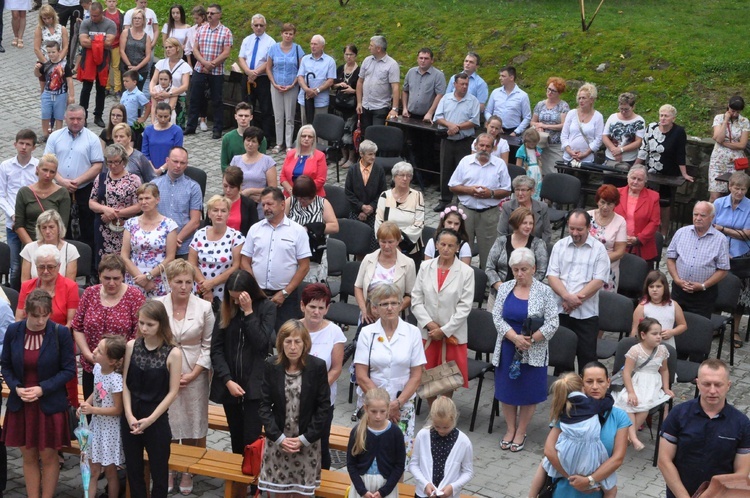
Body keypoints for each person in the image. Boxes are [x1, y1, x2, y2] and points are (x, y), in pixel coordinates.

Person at [1, 289, 76, 498]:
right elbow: (5, 364)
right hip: (21, 403)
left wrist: (43, 388)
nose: (41, 320)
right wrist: (16, 386)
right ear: (26, 312)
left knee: (49, 457)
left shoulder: (60, 333)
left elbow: (69, 369)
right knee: (28, 457)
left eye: (45, 315)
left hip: (49, 403)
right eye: (36, 315)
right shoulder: (14, 331)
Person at [210, 269, 276, 497]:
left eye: (240, 297)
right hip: (231, 386)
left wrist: (248, 313)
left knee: (252, 438)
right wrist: (227, 380)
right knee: (237, 439)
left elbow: (263, 344)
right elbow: (216, 349)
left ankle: (256, 484)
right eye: (233, 297)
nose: (236, 301)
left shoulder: (266, 308)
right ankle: (241, 483)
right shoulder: (225, 308)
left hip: (255, 388)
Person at [154, 260, 214, 495]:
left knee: (191, 422)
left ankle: (188, 470)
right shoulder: (158, 304)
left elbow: (208, 345)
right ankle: (168, 468)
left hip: (195, 371)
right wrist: (166, 371)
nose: (183, 286)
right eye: (178, 282)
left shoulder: (204, 308)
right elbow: (153, 340)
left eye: (188, 282)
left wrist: (195, 373)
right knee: (166, 422)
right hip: (164, 371)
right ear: (169, 282)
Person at [491, 246, 558, 452]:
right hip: (508, 347)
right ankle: (510, 429)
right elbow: (496, 316)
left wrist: (531, 339)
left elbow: (553, 322)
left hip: (533, 349)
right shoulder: (505, 288)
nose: (519, 274)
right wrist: (514, 337)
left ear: (533, 268)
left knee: (528, 392)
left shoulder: (544, 291)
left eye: (524, 269)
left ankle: (521, 431)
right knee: (507, 390)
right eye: (515, 269)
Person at [257, 320, 331, 497]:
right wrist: (279, 438)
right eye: (288, 341)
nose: (292, 346)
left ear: (305, 344)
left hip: (306, 443)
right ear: (281, 343)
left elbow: (323, 408)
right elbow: (264, 406)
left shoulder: (317, 367)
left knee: (301, 493)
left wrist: (305, 439)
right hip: (279, 441)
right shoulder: (271, 365)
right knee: (279, 493)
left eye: (297, 341)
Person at [354, 283, 426, 461]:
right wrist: (384, 406)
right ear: (375, 307)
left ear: (401, 305)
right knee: (366, 455)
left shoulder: (413, 332)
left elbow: (417, 375)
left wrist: (397, 404)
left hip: (402, 407)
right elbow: (361, 375)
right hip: (372, 406)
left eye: (394, 303)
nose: (390, 308)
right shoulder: (367, 333)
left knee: (398, 459)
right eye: (384, 304)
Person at [658, 359, 750, 498]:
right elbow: (664, 460)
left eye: (718, 384)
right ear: (698, 383)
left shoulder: (742, 424)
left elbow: (741, 473)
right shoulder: (678, 414)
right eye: (707, 384)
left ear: (728, 385)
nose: (712, 390)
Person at [540, 361, 631, 498]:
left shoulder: (619, 416)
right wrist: (573, 479)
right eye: (589, 381)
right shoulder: (570, 409)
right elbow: (549, 450)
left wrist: (589, 481)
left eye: (600, 381)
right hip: (563, 487)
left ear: (608, 382)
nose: (595, 386)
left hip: (596, 489)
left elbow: (618, 458)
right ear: (581, 383)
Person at [121, 300, 182, 498]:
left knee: (159, 472)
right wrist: (129, 415)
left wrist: (151, 419)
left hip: (155, 418)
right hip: (131, 415)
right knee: (134, 471)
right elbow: (125, 384)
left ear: (161, 324)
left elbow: (172, 392)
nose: (144, 328)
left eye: (150, 324)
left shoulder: (173, 353)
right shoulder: (132, 346)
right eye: (141, 323)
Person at [411, 229, 474, 398]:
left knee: (449, 380)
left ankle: (442, 415)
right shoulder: (425, 267)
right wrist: (430, 325)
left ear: (458, 248)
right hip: (428, 333)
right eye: (443, 244)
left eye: (450, 245)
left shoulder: (467, 272)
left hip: (452, 335)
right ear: (436, 245)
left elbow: (465, 307)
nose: (446, 248)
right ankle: (432, 415)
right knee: (427, 375)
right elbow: (416, 299)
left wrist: (444, 330)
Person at [72, 254, 145, 399]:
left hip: (121, 369)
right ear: (99, 276)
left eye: (116, 278)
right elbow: (77, 327)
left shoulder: (134, 296)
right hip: (91, 365)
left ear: (123, 277)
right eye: (107, 278)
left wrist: (117, 360)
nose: (111, 283)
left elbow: (139, 333)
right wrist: (87, 354)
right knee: (91, 411)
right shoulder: (89, 293)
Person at [547, 209, 610, 372]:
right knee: (562, 359)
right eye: (572, 228)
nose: (575, 233)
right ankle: (562, 395)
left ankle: (587, 395)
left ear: (589, 227)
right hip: (561, 310)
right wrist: (566, 297)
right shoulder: (560, 246)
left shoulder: (598, 249)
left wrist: (574, 301)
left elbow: (598, 281)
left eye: (579, 229)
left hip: (586, 314)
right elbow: (552, 276)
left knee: (587, 358)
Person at [241, 187, 311, 331]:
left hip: (286, 297)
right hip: (258, 295)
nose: (266, 208)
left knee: (286, 336)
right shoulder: (255, 229)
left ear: (282, 205)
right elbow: (244, 261)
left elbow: (304, 266)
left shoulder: (297, 231)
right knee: (256, 336)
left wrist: (285, 292)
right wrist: (255, 287)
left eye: (270, 204)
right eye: (263, 205)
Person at [45, 104, 104, 255]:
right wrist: (62, 181)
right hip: (58, 190)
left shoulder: (92, 139)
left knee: (87, 229)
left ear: (85, 119)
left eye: (79, 118)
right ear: (65, 118)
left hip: (85, 190)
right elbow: (47, 163)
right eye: (72, 119)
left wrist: (77, 181)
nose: (75, 122)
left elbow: (97, 165)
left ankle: (89, 268)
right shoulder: (55, 137)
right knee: (60, 228)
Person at [300, 284, 346, 470]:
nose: (316, 312)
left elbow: (335, 369)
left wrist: (313, 391)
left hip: (322, 400)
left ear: (327, 309)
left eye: (321, 307)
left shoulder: (335, 332)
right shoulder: (292, 328)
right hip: (295, 399)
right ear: (303, 306)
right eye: (312, 306)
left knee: (321, 445)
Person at [448, 133, 512, 269]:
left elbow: (507, 190)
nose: (484, 148)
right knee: (463, 248)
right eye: (481, 145)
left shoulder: (500, 164)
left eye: (488, 146)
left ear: (493, 148)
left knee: (489, 252)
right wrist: (469, 191)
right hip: (466, 212)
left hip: (490, 214)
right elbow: (452, 186)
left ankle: (487, 282)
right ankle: (462, 278)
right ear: (476, 146)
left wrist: (491, 193)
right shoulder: (465, 161)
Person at [613, 318, 673, 451]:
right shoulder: (635, 350)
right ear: (643, 335)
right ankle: (633, 437)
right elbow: (627, 373)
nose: (659, 337)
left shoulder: (662, 350)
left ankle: (627, 437)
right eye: (654, 334)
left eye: (659, 333)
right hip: (636, 381)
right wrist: (631, 392)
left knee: (644, 406)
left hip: (652, 383)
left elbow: (664, 370)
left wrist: (666, 387)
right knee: (628, 402)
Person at [78, 334, 126, 498]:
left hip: (109, 432)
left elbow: (117, 409)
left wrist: (93, 410)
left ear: (112, 361)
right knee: (93, 471)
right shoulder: (97, 368)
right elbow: (97, 390)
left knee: (111, 472)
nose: (94, 351)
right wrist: (86, 404)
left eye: (99, 350)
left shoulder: (116, 380)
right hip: (96, 427)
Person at [666, 201, 730, 318]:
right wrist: (676, 279)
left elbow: (723, 269)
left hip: (704, 294)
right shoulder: (681, 233)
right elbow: (670, 258)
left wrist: (703, 285)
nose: (698, 218)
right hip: (679, 290)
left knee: (698, 329)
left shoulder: (720, 240)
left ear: (712, 218)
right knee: (674, 323)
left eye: (703, 215)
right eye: (695, 215)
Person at [636, 104, 692, 236]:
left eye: (666, 116)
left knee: (665, 202)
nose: (663, 118)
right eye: (661, 115)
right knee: (648, 199)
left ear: (673, 118)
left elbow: (680, 154)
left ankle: (664, 232)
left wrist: (684, 173)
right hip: (651, 172)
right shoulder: (652, 127)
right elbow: (644, 149)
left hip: (669, 174)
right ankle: (649, 229)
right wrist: (635, 167)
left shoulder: (678, 132)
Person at [409, 396, 474, 498]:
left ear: (454, 418)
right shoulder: (423, 435)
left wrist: (453, 487)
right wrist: (425, 484)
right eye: (437, 426)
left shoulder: (463, 442)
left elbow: (468, 472)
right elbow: (413, 465)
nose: (441, 430)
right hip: (423, 494)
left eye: (446, 427)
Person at [433, 72, 480, 212]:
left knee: (464, 172)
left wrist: (458, 127)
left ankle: (461, 200)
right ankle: (444, 199)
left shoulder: (473, 101)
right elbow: (438, 117)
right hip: (447, 140)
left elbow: (474, 121)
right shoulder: (446, 99)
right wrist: (450, 125)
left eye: (466, 84)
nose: (464, 87)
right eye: (462, 84)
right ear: (455, 84)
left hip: (464, 141)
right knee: (445, 169)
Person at [184, 3, 233, 139]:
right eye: (208, 13)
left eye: (212, 13)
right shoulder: (201, 29)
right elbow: (195, 49)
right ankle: (191, 126)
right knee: (194, 98)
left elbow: (226, 52)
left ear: (219, 15)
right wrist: (204, 63)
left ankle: (217, 129)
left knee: (217, 100)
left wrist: (213, 64)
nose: (209, 15)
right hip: (200, 69)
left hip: (216, 72)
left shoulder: (226, 32)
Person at [121, 182, 178, 297]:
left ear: (157, 200)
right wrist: (140, 279)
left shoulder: (169, 224)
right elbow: (124, 255)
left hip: (158, 279)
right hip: (134, 278)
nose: (143, 202)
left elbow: (170, 257)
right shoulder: (130, 223)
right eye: (140, 199)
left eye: (147, 198)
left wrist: (148, 277)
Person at [346, 388, 405, 498]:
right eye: (373, 411)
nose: (378, 416)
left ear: (388, 409)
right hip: (362, 486)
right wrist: (362, 490)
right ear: (366, 408)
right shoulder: (358, 431)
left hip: (386, 487)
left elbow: (399, 465)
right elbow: (351, 463)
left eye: (382, 411)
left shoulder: (395, 433)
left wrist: (384, 491)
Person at [90, 143, 142, 267]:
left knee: (123, 262)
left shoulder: (133, 180)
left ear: (124, 160)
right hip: (103, 227)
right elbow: (92, 202)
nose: (113, 166)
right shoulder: (101, 178)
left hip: (124, 227)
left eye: (116, 162)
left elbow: (138, 206)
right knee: (103, 263)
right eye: (109, 162)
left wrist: (114, 214)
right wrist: (105, 209)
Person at [714, 171, 750, 346]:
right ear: (730, 187)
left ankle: (735, 330)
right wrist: (733, 233)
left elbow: (748, 235)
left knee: (740, 294)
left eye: (743, 189)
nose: (739, 192)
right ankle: (716, 324)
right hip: (718, 254)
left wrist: (723, 229)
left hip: (740, 256)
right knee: (716, 288)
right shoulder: (718, 203)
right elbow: (711, 228)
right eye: (736, 188)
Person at [354, 222, 417, 324]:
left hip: (394, 317)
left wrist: (392, 309)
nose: (386, 246)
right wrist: (364, 310)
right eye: (383, 242)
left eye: (390, 242)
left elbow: (411, 295)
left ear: (398, 241)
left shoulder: (408, 263)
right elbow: (358, 287)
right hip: (369, 316)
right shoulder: (368, 259)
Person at [486, 208, 548, 307]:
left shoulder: (538, 244)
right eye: (524, 223)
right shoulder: (501, 241)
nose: (528, 227)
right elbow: (490, 268)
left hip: (525, 296)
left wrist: (521, 287)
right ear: (516, 223)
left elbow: (541, 272)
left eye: (531, 223)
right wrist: (500, 287)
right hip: (498, 294)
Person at [0, 129, 39, 287]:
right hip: (13, 224)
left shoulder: (38, 166)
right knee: (15, 267)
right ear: (15, 144)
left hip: (32, 224)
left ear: (33, 147)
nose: (24, 147)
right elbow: (1, 195)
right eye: (21, 143)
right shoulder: (6, 166)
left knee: (32, 265)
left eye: (27, 144)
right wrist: (13, 214)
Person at [189, 195, 245, 303]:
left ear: (228, 214)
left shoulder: (236, 237)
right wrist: (205, 288)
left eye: (223, 211)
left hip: (224, 292)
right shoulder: (199, 234)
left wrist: (212, 283)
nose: (219, 214)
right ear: (209, 213)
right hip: (200, 290)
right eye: (215, 210)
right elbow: (192, 263)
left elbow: (236, 266)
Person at [285, 175, 339, 283]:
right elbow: (280, 222)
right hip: (293, 253)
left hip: (314, 252)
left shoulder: (322, 203)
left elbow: (334, 227)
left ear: (312, 195)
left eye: (304, 199)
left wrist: (312, 228)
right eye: (299, 198)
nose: (301, 201)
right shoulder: (291, 202)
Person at [401, 47, 446, 173]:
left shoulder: (438, 75)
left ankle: (427, 176)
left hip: (427, 118)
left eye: (426, 58)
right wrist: (404, 108)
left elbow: (440, 95)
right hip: (411, 115)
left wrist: (430, 112)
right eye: (421, 58)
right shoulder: (411, 72)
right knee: (413, 146)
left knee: (427, 148)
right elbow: (405, 90)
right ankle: (414, 173)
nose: (423, 61)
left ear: (432, 60)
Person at [151, 147, 202, 258]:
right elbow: (148, 215)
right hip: (157, 245)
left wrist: (176, 239)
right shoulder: (154, 185)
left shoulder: (193, 187)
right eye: (175, 161)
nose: (178, 166)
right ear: (167, 161)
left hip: (184, 246)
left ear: (186, 164)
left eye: (182, 163)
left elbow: (195, 221)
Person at [14, 155, 71, 250]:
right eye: (45, 170)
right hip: (29, 245)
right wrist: (32, 247)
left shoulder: (62, 193)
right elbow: (19, 225)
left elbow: (62, 226)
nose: (48, 175)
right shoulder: (24, 192)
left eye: (52, 172)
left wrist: (49, 248)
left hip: (53, 248)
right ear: (37, 169)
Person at [17, 244, 79, 328]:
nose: (45, 271)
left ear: (59, 266)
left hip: (58, 336)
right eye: (41, 267)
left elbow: (71, 323)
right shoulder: (26, 286)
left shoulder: (70, 286)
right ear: (36, 266)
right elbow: (19, 318)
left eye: (50, 267)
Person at [375, 161, 425, 267]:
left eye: (408, 175)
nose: (405, 179)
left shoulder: (418, 196)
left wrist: (398, 240)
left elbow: (419, 223)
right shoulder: (385, 196)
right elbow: (379, 222)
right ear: (394, 177)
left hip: (411, 248)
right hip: (387, 246)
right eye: (402, 175)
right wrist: (391, 243)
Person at [265, 23, 304, 153]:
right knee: (278, 116)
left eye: (290, 33)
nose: (288, 36)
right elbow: (268, 67)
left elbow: (301, 69)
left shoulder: (298, 49)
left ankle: (288, 144)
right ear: (282, 33)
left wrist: (293, 84)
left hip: (291, 87)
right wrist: (274, 83)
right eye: (286, 33)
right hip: (276, 86)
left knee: (289, 117)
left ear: (294, 35)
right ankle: (278, 142)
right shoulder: (273, 48)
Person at [78, 2, 117, 128]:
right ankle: (83, 116)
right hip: (88, 59)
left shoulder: (110, 24)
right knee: (86, 89)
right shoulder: (86, 22)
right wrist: (100, 41)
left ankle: (98, 116)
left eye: (95, 16)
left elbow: (109, 42)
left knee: (101, 89)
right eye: (91, 15)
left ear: (101, 13)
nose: (93, 18)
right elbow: (83, 42)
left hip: (103, 60)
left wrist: (93, 41)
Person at [613, 164, 661, 263]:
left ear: (645, 181)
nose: (635, 182)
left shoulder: (653, 197)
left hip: (642, 246)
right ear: (627, 177)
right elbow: (609, 216)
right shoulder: (616, 193)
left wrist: (638, 239)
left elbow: (654, 222)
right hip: (616, 243)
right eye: (633, 178)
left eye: (639, 180)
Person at [238, 13, 275, 141]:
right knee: (246, 107)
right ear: (252, 26)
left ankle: (267, 138)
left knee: (265, 109)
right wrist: (248, 72)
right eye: (256, 25)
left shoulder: (270, 42)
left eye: (261, 25)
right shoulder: (247, 40)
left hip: (262, 78)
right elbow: (241, 57)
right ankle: (247, 135)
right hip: (247, 77)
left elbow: (269, 61)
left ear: (265, 26)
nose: (258, 27)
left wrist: (255, 73)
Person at [631, 270, 687, 349]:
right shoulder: (642, 307)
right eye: (651, 286)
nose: (654, 289)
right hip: (647, 348)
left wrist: (672, 332)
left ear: (665, 287)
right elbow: (635, 330)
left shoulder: (673, 305)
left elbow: (683, 325)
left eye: (658, 286)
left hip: (668, 346)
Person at [356, 35, 400, 134]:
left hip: (380, 107)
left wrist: (394, 109)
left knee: (377, 135)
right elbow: (360, 81)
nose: (368, 47)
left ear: (378, 48)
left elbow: (395, 87)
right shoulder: (367, 60)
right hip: (365, 106)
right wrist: (359, 102)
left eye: (371, 45)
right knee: (365, 135)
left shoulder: (392, 65)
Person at [708, 96, 749, 202]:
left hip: (736, 163)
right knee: (715, 197)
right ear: (728, 107)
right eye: (732, 111)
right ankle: (710, 218)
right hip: (718, 162)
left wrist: (723, 143)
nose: (735, 114)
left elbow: (742, 145)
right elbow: (719, 137)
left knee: (735, 196)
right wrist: (726, 120)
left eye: (737, 112)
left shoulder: (744, 121)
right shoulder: (719, 118)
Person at [20, 209, 79, 282]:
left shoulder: (70, 250)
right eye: (44, 228)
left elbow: (69, 283)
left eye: (51, 227)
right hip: (35, 292)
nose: (47, 231)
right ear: (39, 229)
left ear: (59, 227)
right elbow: (25, 283)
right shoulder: (29, 249)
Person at [587, 185, 627, 292]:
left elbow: (620, 252)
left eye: (609, 204)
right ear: (597, 201)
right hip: (585, 265)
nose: (605, 207)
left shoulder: (620, 221)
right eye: (603, 202)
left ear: (615, 204)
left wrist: (598, 261)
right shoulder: (587, 216)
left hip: (608, 270)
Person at [347, 140, 386, 244]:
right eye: (370, 154)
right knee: (357, 242)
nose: (373, 157)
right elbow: (348, 193)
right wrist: (361, 207)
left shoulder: (379, 170)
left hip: (373, 213)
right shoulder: (352, 170)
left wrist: (370, 207)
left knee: (372, 243)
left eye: (374, 154)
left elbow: (382, 193)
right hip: (356, 212)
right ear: (361, 154)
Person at [34, 41, 75, 142]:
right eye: (49, 52)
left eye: (53, 52)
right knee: (45, 114)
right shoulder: (46, 64)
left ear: (59, 51)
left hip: (61, 94)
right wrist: (36, 69)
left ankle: (58, 134)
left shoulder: (65, 65)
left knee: (59, 116)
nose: (51, 55)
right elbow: (39, 75)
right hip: (48, 93)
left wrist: (71, 95)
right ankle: (45, 135)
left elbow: (69, 80)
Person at [149, 37, 192, 129]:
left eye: (170, 47)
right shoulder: (161, 63)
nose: (168, 49)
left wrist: (169, 94)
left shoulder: (184, 66)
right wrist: (152, 92)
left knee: (177, 126)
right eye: (166, 47)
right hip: (161, 96)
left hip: (178, 97)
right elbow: (153, 80)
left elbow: (185, 86)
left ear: (177, 48)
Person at [531, 77, 570, 174]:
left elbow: (564, 125)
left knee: (553, 172)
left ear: (559, 93)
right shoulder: (540, 104)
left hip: (555, 145)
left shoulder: (563, 106)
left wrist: (545, 126)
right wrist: (537, 126)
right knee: (537, 171)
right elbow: (532, 122)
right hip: (539, 143)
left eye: (553, 91)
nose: (550, 92)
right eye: (549, 89)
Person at [497, 175, 551, 244]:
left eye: (523, 190)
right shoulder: (507, 207)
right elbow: (502, 233)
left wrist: (539, 248)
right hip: (512, 247)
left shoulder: (542, 207)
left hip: (536, 247)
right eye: (517, 189)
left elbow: (547, 233)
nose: (520, 193)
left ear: (532, 191)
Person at [229, 126, 277, 203]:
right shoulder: (236, 160)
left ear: (259, 144)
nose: (250, 144)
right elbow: (230, 183)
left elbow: (273, 188)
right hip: (240, 202)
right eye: (248, 140)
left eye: (254, 141)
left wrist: (250, 191)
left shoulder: (268, 161)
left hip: (261, 203)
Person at [295, 34, 336, 125]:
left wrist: (317, 91)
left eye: (315, 44)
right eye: (311, 44)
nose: (313, 46)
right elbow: (300, 76)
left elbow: (330, 81)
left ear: (322, 46)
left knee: (320, 127)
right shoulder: (305, 59)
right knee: (305, 126)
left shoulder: (329, 61)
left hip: (321, 101)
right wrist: (306, 89)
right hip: (305, 99)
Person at [279, 125, 328, 198]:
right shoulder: (290, 153)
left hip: (311, 196)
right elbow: (283, 176)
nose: (306, 138)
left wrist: (300, 192)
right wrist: (290, 190)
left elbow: (320, 180)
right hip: (290, 195)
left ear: (313, 139)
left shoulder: (320, 156)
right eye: (304, 136)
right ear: (299, 137)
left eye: (310, 136)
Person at [561, 83, 604, 163]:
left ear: (591, 100)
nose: (581, 101)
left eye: (584, 98)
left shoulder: (598, 117)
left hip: (587, 160)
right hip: (569, 157)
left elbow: (598, 139)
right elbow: (564, 135)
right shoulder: (571, 113)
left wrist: (585, 154)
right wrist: (570, 152)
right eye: (579, 98)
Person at [221, 102, 269, 172]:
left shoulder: (261, 138)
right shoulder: (227, 138)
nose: (243, 118)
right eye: (240, 115)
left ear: (251, 117)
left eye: (246, 116)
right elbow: (224, 165)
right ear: (235, 116)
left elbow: (262, 163)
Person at [485, 66, 532, 136]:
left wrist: (516, 132)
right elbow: (488, 111)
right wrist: (493, 124)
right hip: (495, 131)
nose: (500, 78)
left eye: (503, 76)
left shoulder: (523, 95)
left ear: (511, 78)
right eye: (500, 76)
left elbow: (527, 117)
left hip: (513, 131)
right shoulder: (495, 92)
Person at [332, 44, 359, 168]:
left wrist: (352, 90)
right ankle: (343, 156)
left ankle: (351, 158)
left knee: (350, 133)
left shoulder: (359, 71)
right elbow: (333, 84)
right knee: (340, 132)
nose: (348, 57)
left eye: (351, 55)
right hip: (339, 105)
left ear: (355, 56)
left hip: (352, 107)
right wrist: (339, 85)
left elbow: (361, 88)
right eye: (346, 54)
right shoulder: (340, 68)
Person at [601, 92, 645, 166]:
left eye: (626, 109)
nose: (623, 112)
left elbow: (638, 141)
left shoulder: (639, 121)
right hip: (610, 157)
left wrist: (621, 150)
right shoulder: (612, 117)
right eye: (621, 109)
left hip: (629, 159)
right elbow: (605, 136)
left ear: (633, 107)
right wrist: (614, 150)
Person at [142, 103, 184, 172]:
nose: (163, 119)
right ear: (156, 115)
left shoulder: (177, 130)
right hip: (151, 169)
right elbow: (145, 153)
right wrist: (153, 170)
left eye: (166, 116)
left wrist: (161, 169)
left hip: (170, 170)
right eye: (160, 116)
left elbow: (177, 153)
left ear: (170, 115)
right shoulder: (148, 130)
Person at [119, 9, 151, 89]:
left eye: (139, 18)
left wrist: (137, 68)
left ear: (143, 20)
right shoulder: (126, 32)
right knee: (126, 92)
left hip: (141, 69)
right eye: (135, 18)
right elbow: (122, 50)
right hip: (126, 68)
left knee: (138, 93)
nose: (137, 20)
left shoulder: (147, 37)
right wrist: (129, 66)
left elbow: (148, 56)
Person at [221, 166, 259, 234]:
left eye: (232, 187)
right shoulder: (216, 202)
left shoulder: (248, 204)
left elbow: (254, 230)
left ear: (240, 186)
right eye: (225, 186)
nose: (228, 190)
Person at [119, 71, 150, 141]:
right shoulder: (124, 93)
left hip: (133, 124)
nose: (124, 83)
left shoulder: (139, 94)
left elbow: (148, 105)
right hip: (123, 122)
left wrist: (143, 118)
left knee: (133, 140)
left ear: (134, 82)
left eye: (127, 81)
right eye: (123, 81)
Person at [102, 0, 123, 98]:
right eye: (109, 1)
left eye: (113, 1)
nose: (111, 3)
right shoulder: (102, 13)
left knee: (116, 67)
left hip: (117, 44)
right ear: (105, 2)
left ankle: (117, 88)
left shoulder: (121, 13)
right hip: (105, 45)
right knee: (106, 66)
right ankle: (106, 87)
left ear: (117, 2)